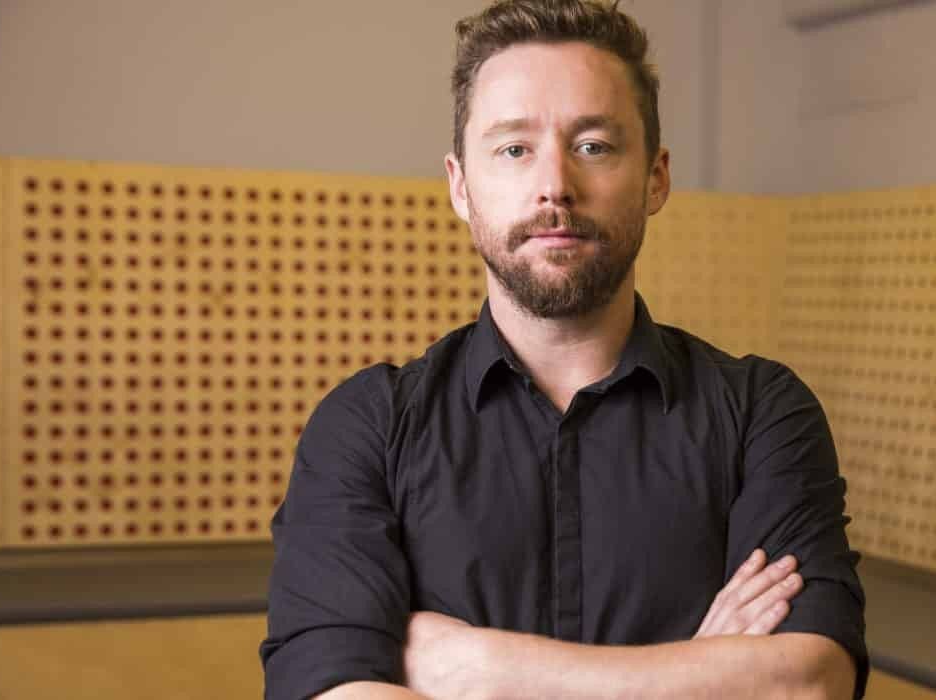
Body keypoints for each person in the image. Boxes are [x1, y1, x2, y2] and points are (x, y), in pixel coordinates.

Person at [259, 1, 867, 698]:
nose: (555, 187)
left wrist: (485, 671)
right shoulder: (367, 426)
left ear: (656, 177)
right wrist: (701, 675)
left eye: (594, 146)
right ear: (460, 185)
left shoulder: (762, 414)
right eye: (514, 149)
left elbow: (807, 684)